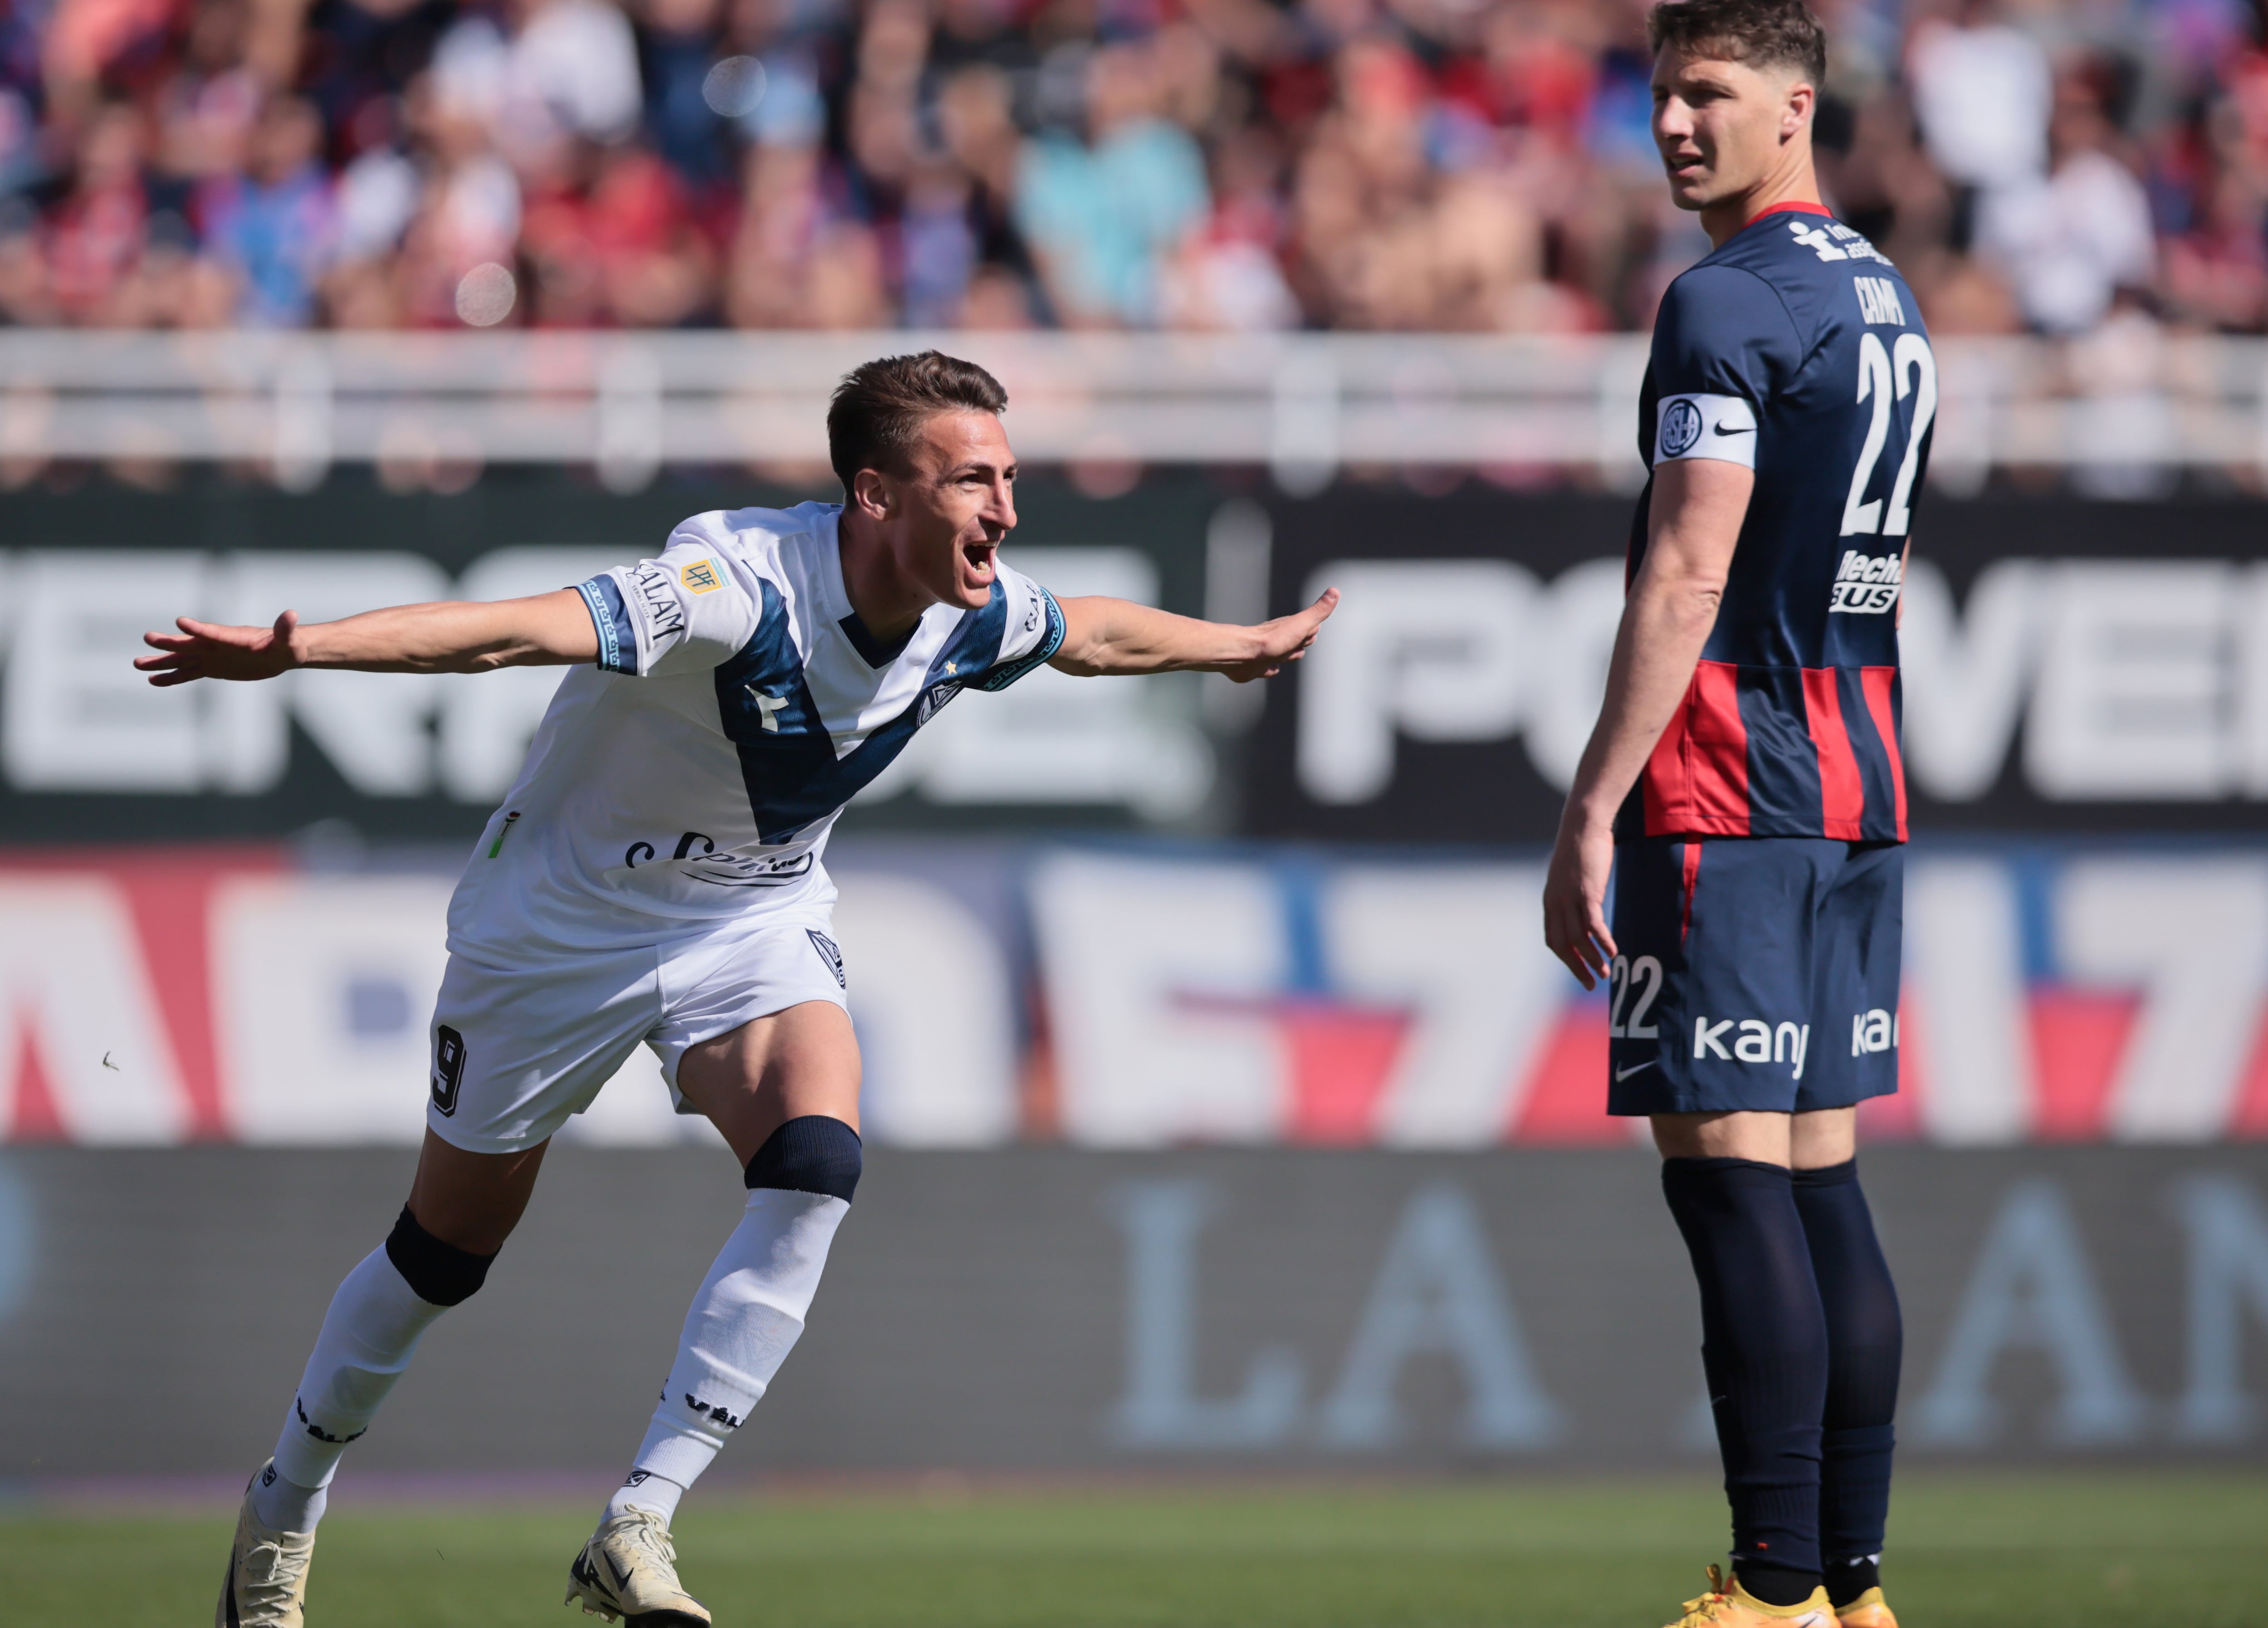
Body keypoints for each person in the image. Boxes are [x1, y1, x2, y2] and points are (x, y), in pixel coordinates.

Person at [142, 350, 1339, 1628]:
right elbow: (513, 630)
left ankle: (640, 1518)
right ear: (876, 495)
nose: (1004, 509)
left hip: (748, 921)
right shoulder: (731, 585)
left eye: (1008, 477)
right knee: (443, 1256)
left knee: (818, 1162)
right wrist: (303, 651)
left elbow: (1092, 632)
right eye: (973, 481)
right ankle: (285, 1504)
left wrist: (1237, 647)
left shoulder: (970, 610)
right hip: (559, 930)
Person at [1539, 4, 1927, 1627]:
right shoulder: (1885, 292)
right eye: (1661, 96)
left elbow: (1690, 567)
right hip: (1859, 782)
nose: (1677, 124)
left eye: (1709, 95)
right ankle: (1849, 1590)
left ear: (1794, 103)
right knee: (1819, 1176)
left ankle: (1768, 1591)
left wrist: (1591, 804)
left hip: (1731, 784)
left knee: (1728, 1181)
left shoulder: (1724, 300)